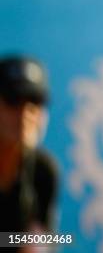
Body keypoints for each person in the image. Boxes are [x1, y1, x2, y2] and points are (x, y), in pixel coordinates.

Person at [0, 56, 59, 251]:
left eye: (35, 102)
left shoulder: (44, 170)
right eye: (13, 101)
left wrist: (35, 243)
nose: (25, 114)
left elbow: (56, 240)